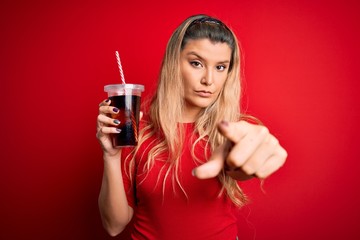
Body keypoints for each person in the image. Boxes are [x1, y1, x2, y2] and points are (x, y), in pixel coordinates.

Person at [96, 14, 287, 239]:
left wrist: (252, 156)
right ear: (174, 63)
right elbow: (114, 225)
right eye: (196, 63)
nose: (209, 79)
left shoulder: (233, 131)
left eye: (220, 67)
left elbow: (241, 163)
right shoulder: (135, 129)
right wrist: (110, 155)